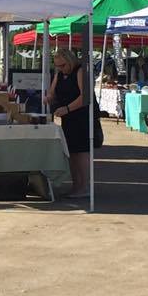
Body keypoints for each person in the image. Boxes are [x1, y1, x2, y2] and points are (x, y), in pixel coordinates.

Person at [51, 48, 93, 198]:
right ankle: (76, 185)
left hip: (81, 117)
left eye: (63, 65)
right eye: (57, 66)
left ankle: (84, 186)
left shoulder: (80, 71)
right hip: (67, 118)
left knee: (81, 152)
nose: (61, 69)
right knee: (71, 153)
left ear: (70, 61)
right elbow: (52, 93)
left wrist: (67, 109)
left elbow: (84, 97)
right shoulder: (61, 74)